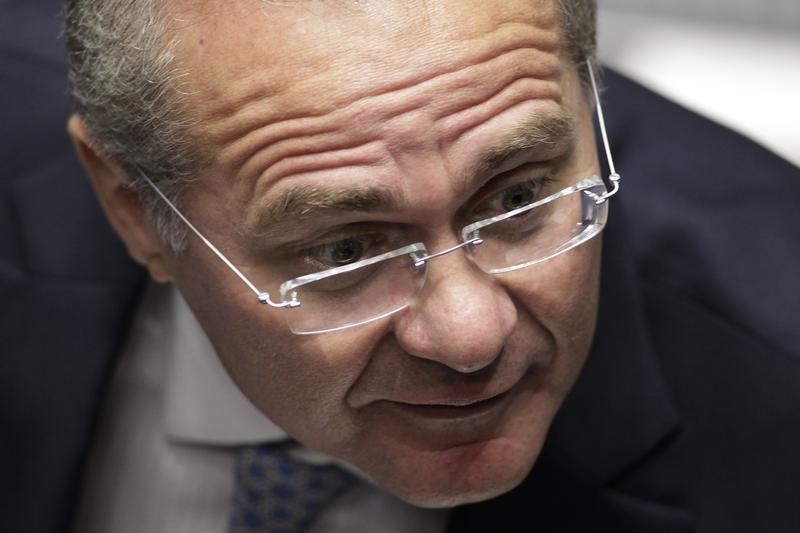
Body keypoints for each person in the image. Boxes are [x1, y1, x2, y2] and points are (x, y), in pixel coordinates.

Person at [2, 0, 799, 531]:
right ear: (133, 208)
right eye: (345, 248)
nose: (469, 335)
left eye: (517, 200)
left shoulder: (772, 373)